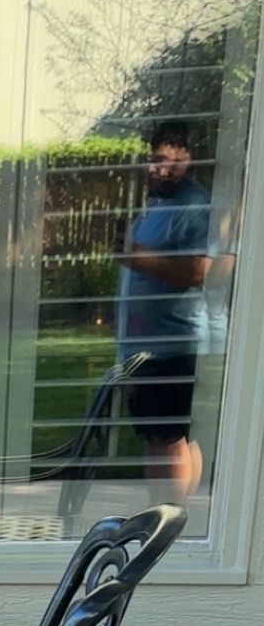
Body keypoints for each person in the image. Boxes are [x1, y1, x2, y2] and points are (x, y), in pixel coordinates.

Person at [117, 118, 212, 497]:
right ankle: (169, 519)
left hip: (172, 344)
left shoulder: (195, 205)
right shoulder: (159, 201)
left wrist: (135, 258)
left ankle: (169, 521)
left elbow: (197, 271)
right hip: (146, 345)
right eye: (153, 159)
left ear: (188, 158)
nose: (157, 168)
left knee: (169, 437)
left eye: (167, 161)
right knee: (164, 437)